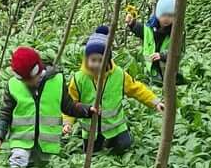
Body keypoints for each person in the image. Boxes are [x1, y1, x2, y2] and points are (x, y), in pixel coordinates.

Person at [0, 46, 96, 168]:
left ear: (37, 70)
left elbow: (68, 106)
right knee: (17, 167)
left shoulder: (56, 81)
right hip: (21, 141)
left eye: (30, 79)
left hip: (47, 143)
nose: (28, 83)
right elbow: (5, 113)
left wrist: (88, 110)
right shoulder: (13, 84)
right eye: (24, 80)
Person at [65, 26, 164, 154]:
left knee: (124, 145)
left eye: (101, 60)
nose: (96, 64)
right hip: (91, 130)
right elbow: (70, 103)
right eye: (93, 60)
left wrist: (155, 102)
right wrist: (67, 123)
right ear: (86, 59)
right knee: (92, 154)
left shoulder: (119, 75)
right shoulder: (79, 79)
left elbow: (137, 89)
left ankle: (117, 142)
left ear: (108, 60)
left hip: (116, 127)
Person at [127, 0, 177, 84]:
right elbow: (143, 32)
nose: (166, 18)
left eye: (170, 15)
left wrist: (162, 56)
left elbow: (178, 50)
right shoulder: (151, 26)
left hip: (167, 70)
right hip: (150, 69)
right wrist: (132, 24)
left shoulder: (175, 31)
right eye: (163, 15)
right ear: (158, 14)